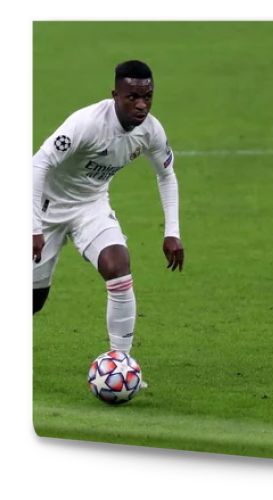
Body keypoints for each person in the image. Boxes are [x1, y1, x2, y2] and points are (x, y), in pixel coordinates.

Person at [32, 60, 184, 380]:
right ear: (115, 94)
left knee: (118, 264)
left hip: (91, 206)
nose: (141, 105)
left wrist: (172, 232)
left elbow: (166, 176)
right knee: (32, 300)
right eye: (132, 97)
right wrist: (33, 226)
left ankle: (121, 364)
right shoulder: (86, 124)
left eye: (148, 97)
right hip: (45, 208)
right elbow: (38, 164)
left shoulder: (151, 131)